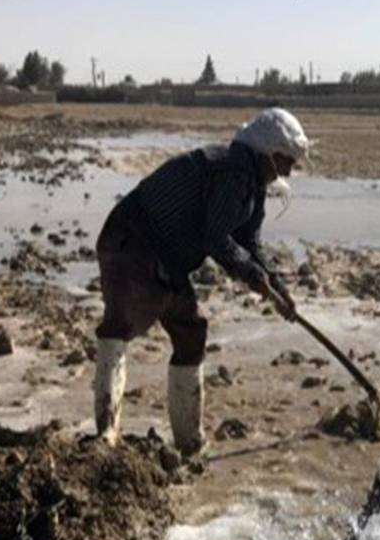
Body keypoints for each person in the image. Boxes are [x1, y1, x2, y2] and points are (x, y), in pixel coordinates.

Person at [92, 107, 309, 455]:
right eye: (285, 161)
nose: (287, 172)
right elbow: (216, 239)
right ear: (267, 152)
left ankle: (190, 443)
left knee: (191, 334)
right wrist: (254, 278)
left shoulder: (253, 183)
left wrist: (278, 288)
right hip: (133, 240)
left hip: (170, 257)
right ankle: (106, 435)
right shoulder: (232, 172)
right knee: (119, 326)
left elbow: (250, 241)